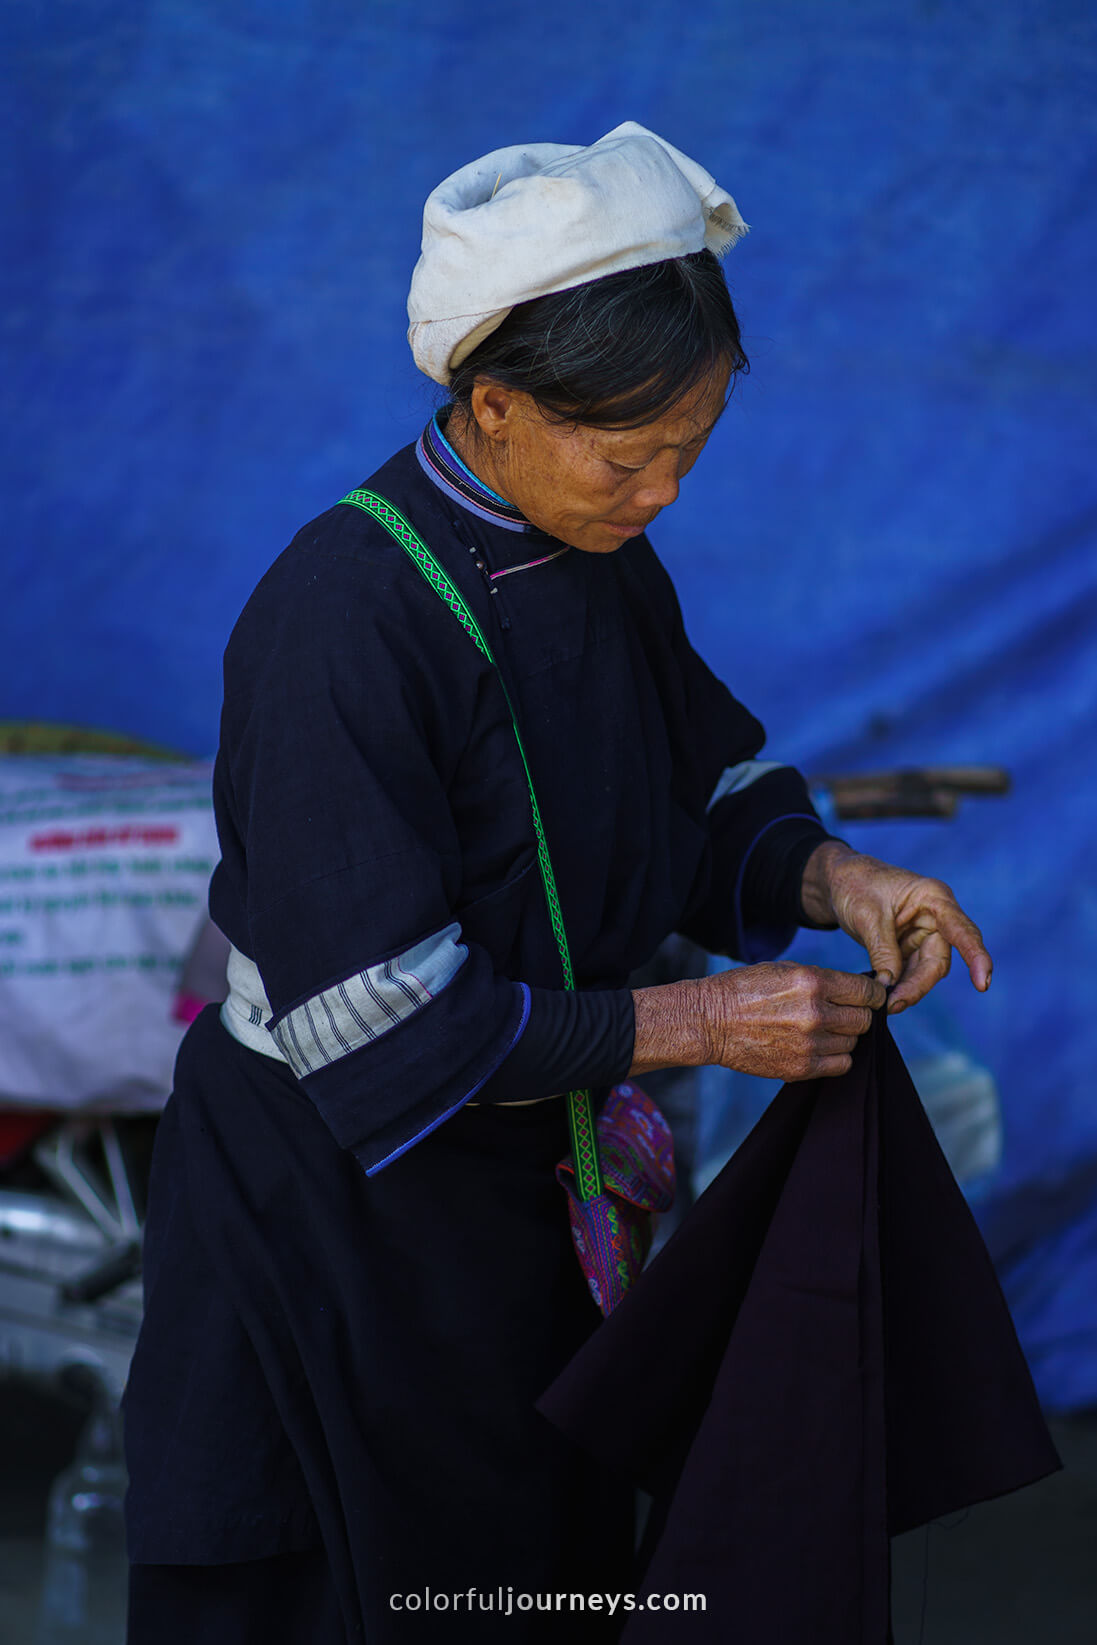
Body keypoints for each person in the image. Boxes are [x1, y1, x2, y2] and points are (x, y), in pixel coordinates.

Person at [122, 123, 992, 1644]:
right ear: (493, 403)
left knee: (529, 1561)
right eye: (627, 453)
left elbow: (690, 794)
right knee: (353, 1587)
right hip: (335, 1211)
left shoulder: (592, 552)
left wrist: (832, 873)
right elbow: (379, 1030)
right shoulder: (342, 621)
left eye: (689, 455)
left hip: (521, 1185)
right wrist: (703, 1019)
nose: (659, 495)